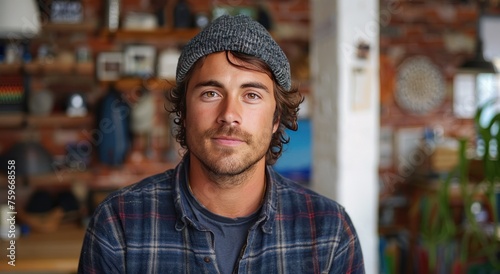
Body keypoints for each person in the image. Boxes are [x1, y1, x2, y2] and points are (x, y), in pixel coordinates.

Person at [78, 14, 365, 274]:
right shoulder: (119, 224)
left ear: (276, 117)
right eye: (211, 93)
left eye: (251, 95)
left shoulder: (330, 232)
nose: (229, 114)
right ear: (184, 113)